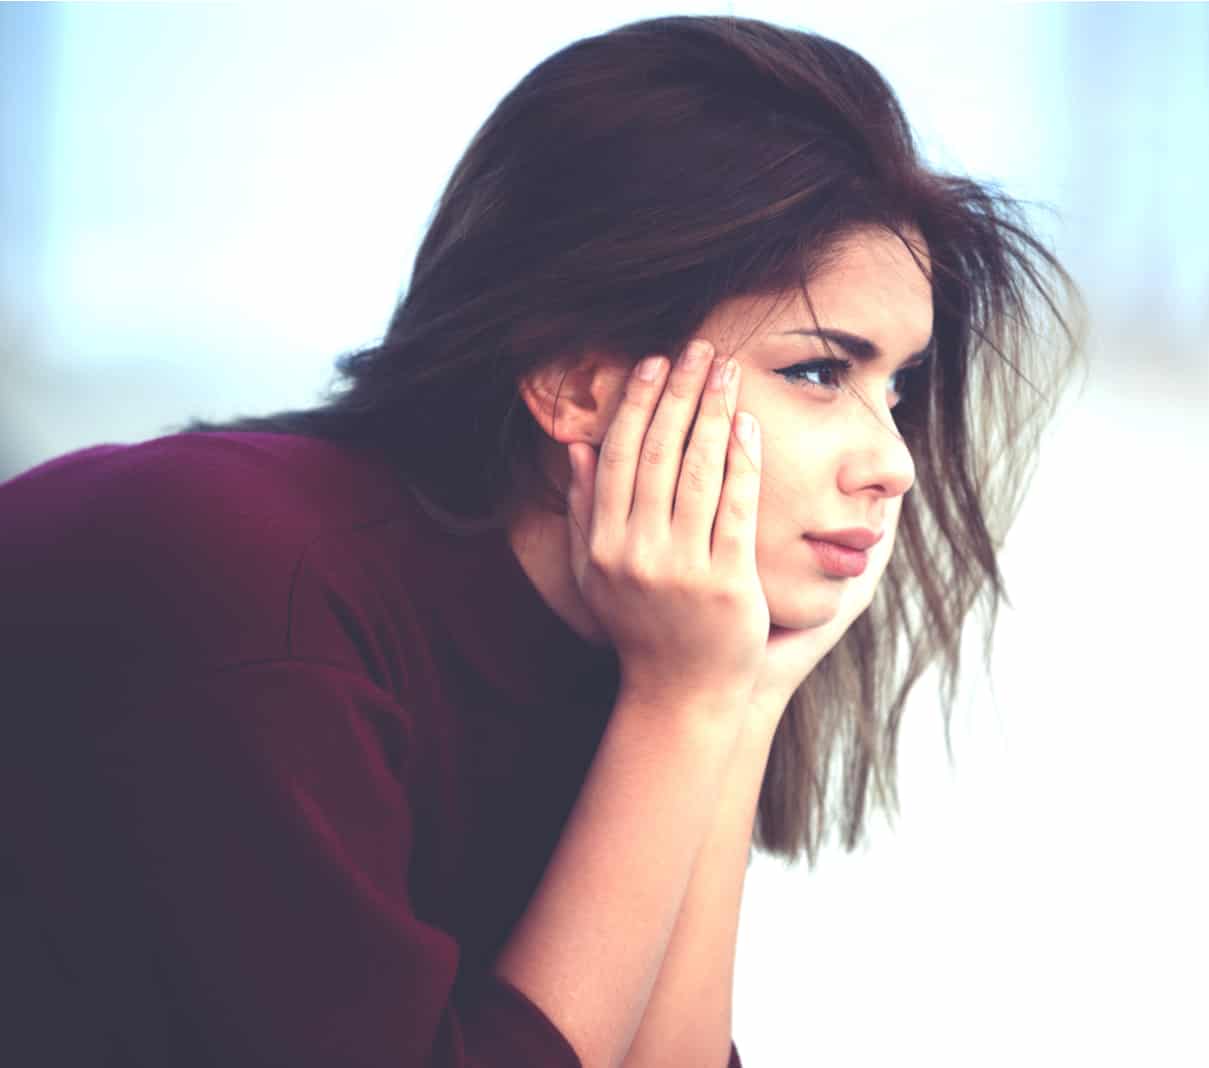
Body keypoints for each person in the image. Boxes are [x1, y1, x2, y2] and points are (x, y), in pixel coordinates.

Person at [0, 14, 1076, 1068]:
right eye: (816, 372)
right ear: (576, 384)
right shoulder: (242, 583)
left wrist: (729, 700)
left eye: (894, 388)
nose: (891, 461)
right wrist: (683, 704)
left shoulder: (635, 645)